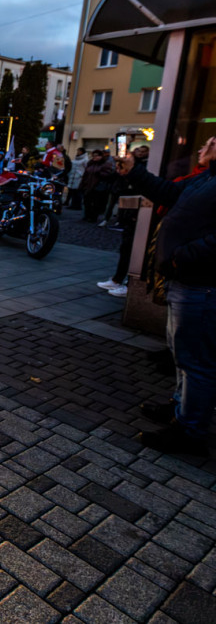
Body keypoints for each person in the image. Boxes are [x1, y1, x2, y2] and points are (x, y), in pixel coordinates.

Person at [116, 137, 216, 457]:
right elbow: (172, 194)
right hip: (186, 282)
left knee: (196, 362)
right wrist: (134, 171)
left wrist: (182, 257)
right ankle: (180, 410)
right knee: (183, 355)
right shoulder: (207, 177)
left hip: (200, 284)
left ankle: (190, 432)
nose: (204, 145)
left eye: (212, 142)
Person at [96, 146, 149, 298]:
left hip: (139, 212)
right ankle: (118, 279)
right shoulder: (131, 171)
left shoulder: (144, 169)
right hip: (128, 209)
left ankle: (128, 283)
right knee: (125, 247)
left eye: (141, 151)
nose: (138, 153)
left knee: (133, 249)